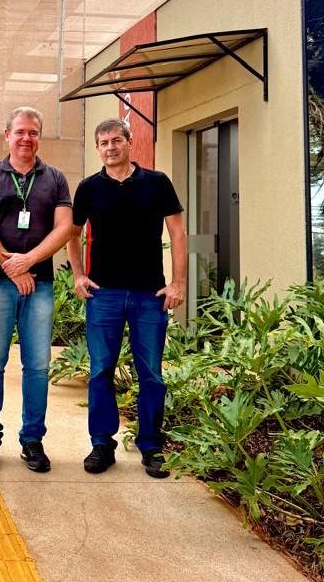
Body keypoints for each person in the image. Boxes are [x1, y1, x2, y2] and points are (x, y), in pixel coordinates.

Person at [67, 118, 187, 479]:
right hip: (103, 294)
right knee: (101, 370)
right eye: (103, 143)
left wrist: (178, 283)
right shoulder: (89, 188)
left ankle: (151, 446)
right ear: (98, 147)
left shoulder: (157, 183)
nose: (110, 147)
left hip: (149, 293)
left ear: (129, 142)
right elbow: (72, 233)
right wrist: (78, 275)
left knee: (151, 373)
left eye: (116, 140)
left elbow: (178, 233)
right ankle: (102, 444)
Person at [0, 106, 72, 473]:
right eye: (20, 132)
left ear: (39, 137)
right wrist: (12, 268)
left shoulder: (55, 178)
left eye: (33, 132)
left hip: (40, 283)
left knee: (38, 365)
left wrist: (27, 262)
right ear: (7, 135)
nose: (26, 138)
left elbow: (63, 229)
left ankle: (32, 439)